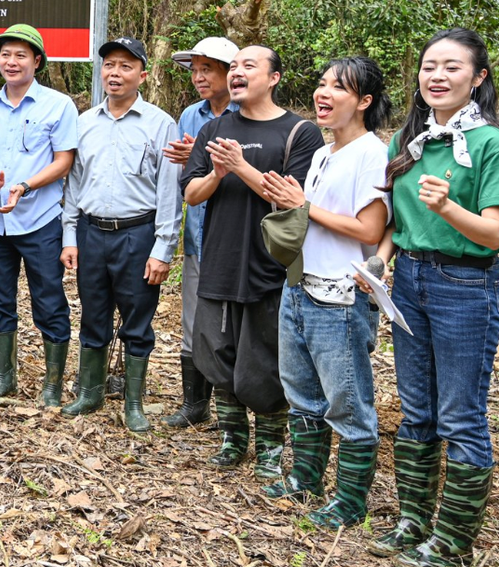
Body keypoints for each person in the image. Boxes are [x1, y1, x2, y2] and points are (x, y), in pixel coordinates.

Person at [363, 29, 499, 567]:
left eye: (452, 67)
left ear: (477, 78)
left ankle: (454, 536)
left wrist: (450, 207)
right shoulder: (408, 140)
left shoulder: (491, 144)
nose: (437, 76)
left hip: (464, 285)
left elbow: (494, 235)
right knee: (416, 409)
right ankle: (413, 519)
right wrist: (380, 260)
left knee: (460, 414)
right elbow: (397, 222)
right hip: (408, 278)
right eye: (429, 65)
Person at [180, 46, 323, 477]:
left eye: (249, 66)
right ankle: (232, 438)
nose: (238, 73)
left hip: (271, 264)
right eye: (235, 66)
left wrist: (239, 166)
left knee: (265, 359)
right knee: (216, 353)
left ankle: (271, 448)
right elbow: (190, 194)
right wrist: (216, 174)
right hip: (219, 259)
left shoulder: (299, 132)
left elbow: (290, 199)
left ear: (274, 78)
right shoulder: (216, 128)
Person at [260, 57, 390, 528]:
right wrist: (292, 205)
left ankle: (351, 502)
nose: (324, 93)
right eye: (321, 84)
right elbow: (306, 213)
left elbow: (369, 228)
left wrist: (305, 206)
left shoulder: (372, 153)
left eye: (339, 87)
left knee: (347, 401)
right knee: (302, 394)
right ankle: (305, 480)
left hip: (340, 296)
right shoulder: (322, 152)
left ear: (364, 102)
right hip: (298, 285)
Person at [60, 37, 180, 431]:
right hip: (93, 233)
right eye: (110, 65)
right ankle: (90, 392)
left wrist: (163, 248)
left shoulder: (161, 124)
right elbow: (74, 185)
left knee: (137, 319)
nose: (115, 73)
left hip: (138, 234)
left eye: (126, 66)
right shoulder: (84, 122)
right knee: (93, 313)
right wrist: (70, 236)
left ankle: (133, 403)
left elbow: (168, 191)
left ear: (142, 75)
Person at [0, 24, 78, 405]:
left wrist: (24, 186)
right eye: (5, 55)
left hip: (40, 220)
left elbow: (64, 161)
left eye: (20, 55)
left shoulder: (58, 105)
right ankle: (4, 377)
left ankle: (52, 384)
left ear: (37, 61)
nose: (11, 62)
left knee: (49, 299)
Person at [162, 35, 239, 427]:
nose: (198, 77)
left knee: (238, 324)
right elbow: (185, 177)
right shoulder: (191, 115)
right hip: (199, 234)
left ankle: (237, 408)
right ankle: (195, 404)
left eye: (207, 69)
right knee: (194, 318)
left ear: (230, 72)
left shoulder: (250, 114)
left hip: (241, 238)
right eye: (194, 70)